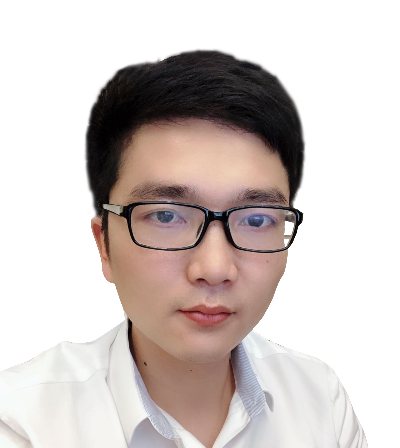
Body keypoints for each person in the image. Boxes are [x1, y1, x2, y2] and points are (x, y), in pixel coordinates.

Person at [0, 48, 367, 448]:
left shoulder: (319, 400)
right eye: (166, 216)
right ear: (103, 244)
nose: (214, 268)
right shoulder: (22, 422)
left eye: (256, 219)